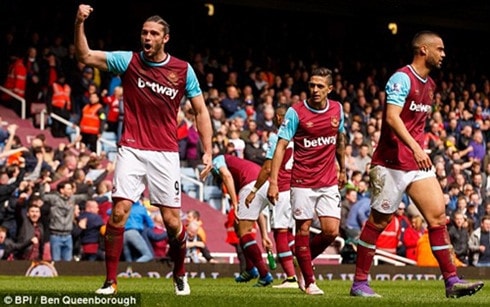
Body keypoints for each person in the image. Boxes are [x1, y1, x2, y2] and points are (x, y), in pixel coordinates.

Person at [74, 4, 213, 296]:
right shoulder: (128, 61)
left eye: (153, 33)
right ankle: (111, 281)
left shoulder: (183, 70)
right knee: (119, 213)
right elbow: (85, 56)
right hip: (132, 148)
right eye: (144, 32)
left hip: (164, 152)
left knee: (174, 223)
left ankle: (179, 272)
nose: (146, 37)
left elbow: (200, 111)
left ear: (165, 38)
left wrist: (208, 151)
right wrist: (79, 23)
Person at [349, 31, 484, 298]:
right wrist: (415, 147)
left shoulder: (430, 85)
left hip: (415, 163)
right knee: (379, 222)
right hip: (389, 163)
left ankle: (451, 282)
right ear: (423, 50)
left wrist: (418, 150)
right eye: (440, 49)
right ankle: (359, 283)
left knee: (438, 217)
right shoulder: (402, 78)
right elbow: (391, 118)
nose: (444, 54)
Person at [267, 67, 347, 295]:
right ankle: (309, 281)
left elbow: (340, 138)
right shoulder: (296, 112)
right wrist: (273, 182)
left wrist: (343, 168)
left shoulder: (337, 109)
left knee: (331, 231)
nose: (314, 89)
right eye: (312, 85)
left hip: (328, 180)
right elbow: (281, 146)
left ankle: (302, 257)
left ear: (330, 89)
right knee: (302, 228)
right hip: (302, 180)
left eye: (320, 86)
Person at [245, 105, 298, 288]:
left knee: (280, 233)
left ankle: (291, 278)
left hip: (282, 189)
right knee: (291, 233)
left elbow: (268, 167)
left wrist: (254, 190)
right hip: (296, 190)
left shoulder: (277, 138)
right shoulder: (298, 138)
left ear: (277, 118)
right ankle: (302, 268)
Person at [212, 153, 273, 287]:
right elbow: (257, 212)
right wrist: (264, 235)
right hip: (264, 183)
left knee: (244, 233)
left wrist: (235, 202)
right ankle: (250, 269)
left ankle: (263, 274)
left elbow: (226, 176)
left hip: (252, 184)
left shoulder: (217, 159)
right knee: (239, 227)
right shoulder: (240, 171)